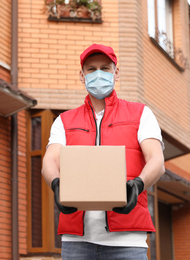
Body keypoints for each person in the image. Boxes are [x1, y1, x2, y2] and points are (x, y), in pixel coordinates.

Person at [41, 43, 165, 260]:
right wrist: (56, 184)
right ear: (82, 75)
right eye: (91, 69)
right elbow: (49, 161)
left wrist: (138, 184)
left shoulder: (141, 114)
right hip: (76, 243)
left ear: (116, 72)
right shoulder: (64, 121)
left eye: (105, 68)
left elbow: (156, 160)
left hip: (128, 241)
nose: (98, 73)